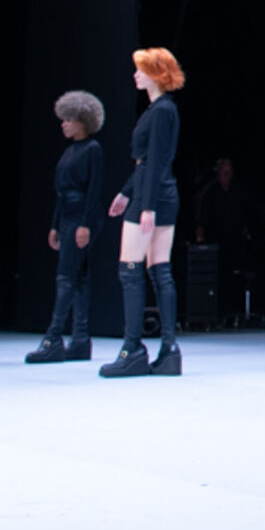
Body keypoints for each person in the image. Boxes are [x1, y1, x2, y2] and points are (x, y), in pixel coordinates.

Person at [101, 48, 185, 378]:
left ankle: (132, 349)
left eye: (142, 70)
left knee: (130, 270)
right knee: (159, 269)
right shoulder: (164, 109)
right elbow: (150, 163)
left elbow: (155, 162)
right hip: (161, 192)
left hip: (153, 196)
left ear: (156, 74)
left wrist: (146, 205)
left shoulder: (160, 111)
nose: (136, 74)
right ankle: (169, 350)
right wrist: (126, 192)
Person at [25, 90, 106, 363]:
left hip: (83, 217)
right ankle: (80, 340)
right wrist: (54, 225)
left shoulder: (93, 150)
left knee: (66, 276)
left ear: (82, 121)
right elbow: (61, 192)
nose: (64, 124)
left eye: (69, 119)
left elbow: (94, 191)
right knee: (79, 277)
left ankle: (53, 339)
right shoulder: (69, 151)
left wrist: (85, 225)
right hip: (67, 217)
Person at [194, 157, 265, 317]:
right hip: (217, 244)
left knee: (241, 269)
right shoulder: (210, 193)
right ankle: (218, 313)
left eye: (230, 172)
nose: (228, 176)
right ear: (218, 173)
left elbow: (259, 208)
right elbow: (201, 220)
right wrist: (200, 242)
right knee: (218, 275)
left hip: (236, 242)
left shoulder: (238, 189)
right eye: (225, 173)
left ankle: (238, 311)